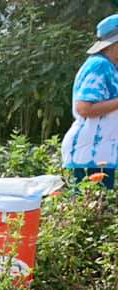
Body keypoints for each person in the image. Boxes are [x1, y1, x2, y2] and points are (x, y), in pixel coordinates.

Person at [62, 14, 118, 189]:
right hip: (89, 155)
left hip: (103, 154)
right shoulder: (99, 65)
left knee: (99, 212)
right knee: (91, 212)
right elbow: (84, 108)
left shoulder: (110, 67)